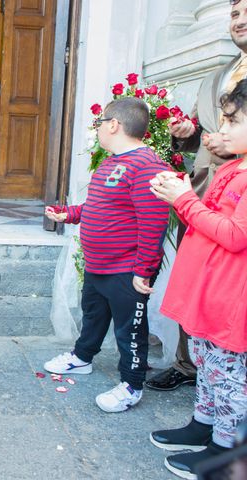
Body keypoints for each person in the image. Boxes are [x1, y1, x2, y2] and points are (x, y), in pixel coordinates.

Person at [43, 97, 170, 413]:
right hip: (98, 264)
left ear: (114, 125)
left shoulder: (146, 166)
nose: (97, 129)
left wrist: (144, 270)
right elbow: (97, 207)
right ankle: (82, 357)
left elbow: (153, 221)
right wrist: (69, 214)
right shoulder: (109, 162)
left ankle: (131, 384)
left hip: (127, 268)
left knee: (130, 329)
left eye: (99, 123)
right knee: (94, 314)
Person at [145, 0, 247, 393]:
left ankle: (225, 386)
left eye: (245, 13)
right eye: (234, 14)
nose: (239, 21)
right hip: (206, 187)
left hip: (236, 201)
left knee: (227, 291)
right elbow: (203, 128)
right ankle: (192, 367)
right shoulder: (218, 75)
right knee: (197, 280)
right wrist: (186, 132)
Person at [148, 79, 247, 480]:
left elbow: (236, 235)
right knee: (206, 363)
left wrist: (184, 201)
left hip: (229, 290)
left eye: (233, 121)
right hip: (208, 286)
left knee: (226, 374)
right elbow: (208, 219)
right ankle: (202, 424)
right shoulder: (235, 166)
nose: (220, 130)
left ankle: (226, 449)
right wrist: (182, 195)